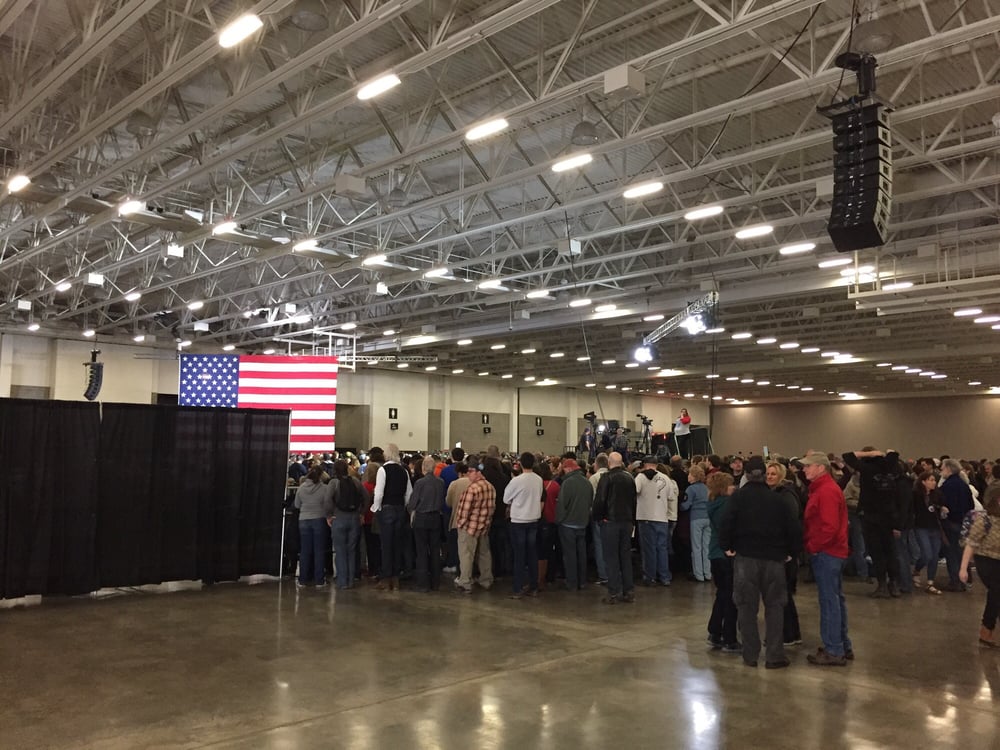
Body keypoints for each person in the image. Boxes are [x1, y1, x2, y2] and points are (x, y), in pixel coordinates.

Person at [719, 456, 801, 669]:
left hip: (745, 559)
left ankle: (750, 654)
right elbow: (793, 527)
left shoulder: (737, 498)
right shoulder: (778, 499)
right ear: (765, 475)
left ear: (745, 474)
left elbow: (725, 522)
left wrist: (727, 546)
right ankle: (774, 655)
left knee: (746, 608)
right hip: (774, 560)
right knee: (775, 607)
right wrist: (792, 552)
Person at [800, 453, 854, 667]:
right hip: (833, 551)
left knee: (829, 602)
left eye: (807, 467)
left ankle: (834, 649)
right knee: (835, 600)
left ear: (820, 468)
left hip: (827, 553)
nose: (804, 470)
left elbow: (829, 527)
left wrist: (813, 547)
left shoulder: (826, 491)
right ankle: (842, 645)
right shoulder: (825, 489)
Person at [842, 447, 903, 598]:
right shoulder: (894, 469)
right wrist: (889, 453)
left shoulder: (867, 469)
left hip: (870, 516)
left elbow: (847, 456)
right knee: (891, 551)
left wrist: (869, 453)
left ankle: (882, 585)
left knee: (877, 552)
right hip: (889, 516)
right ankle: (894, 584)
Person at [765, 461, 803, 646]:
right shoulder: (772, 494)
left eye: (773, 474)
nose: (769, 476)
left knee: (781, 595)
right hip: (776, 550)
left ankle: (788, 634)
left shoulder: (786, 495)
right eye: (768, 473)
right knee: (781, 595)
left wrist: (790, 551)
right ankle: (791, 633)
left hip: (784, 552)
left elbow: (792, 524)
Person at [593, 452, 638, 604]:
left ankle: (613, 592)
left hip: (610, 522)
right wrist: (632, 520)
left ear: (608, 462)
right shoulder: (629, 478)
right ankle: (629, 591)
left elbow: (600, 500)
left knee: (611, 557)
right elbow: (634, 501)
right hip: (626, 522)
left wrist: (598, 518)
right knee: (625, 556)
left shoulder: (606, 478)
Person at [959, 485, 1000, 648]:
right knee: (996, 592)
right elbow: (971, 543)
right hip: (986, 560)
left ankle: (988, 628)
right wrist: (963, 568)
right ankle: (986, 629)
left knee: (997, 595)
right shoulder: (984, 519)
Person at [371, 443, 413, 591]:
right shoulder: (404, 471)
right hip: (400, 509)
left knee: (386, 544)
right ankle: (395, 578)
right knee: (397, 544)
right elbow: (409, 493)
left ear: (386, 454)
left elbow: (379, 492)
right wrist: (405, 508)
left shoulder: (383, 470)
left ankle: (385, 578)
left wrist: (376, 507)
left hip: (387, 508)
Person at [706, 471, 739, 653]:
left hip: (715, 553)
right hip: (724, 554)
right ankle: (729, 638)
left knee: (722, 594)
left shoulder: (713, 503)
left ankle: (715, 631)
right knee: (730, 597)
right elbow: (726, 529)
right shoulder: (725, 506)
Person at [454, 458, 496, 593]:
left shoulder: (472, 489)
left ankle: (465, 581)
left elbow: (464, 511)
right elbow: (492, 507)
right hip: (484, 526)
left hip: (469, 528)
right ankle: (486, 580)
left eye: (470, 471)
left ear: (478, 472)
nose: (468, 474)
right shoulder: (490, 486)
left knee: (466, 554)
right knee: (484, 554)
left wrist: (460, 525)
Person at [504, 451, 543, 599]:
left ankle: (518, 588)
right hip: (533, 519)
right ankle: (533, 587)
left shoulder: (517, 481)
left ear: (520, 464)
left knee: (519, 556)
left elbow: (506, 499)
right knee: (532, 554)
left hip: (519, 521)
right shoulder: (538, 479)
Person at [407, 455, 445, 592]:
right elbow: (442, 501)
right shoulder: (440, 482)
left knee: (421, 551)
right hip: (435, 518)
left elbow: (412, 503)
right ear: (434, 468)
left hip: (421, 519)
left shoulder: (420, 483)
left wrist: (411, 510)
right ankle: (435, 582)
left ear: (423, 468)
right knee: (435, 551)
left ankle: (422, 583)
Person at [635, 455, 675, 586]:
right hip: (662, 518)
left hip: (645, 517)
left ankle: (650, 577)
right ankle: (664, 577)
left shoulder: (641, 477)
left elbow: (635, 491)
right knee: (662, 548)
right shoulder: (665, 478)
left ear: (645, 464)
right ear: (656, 465)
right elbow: (670, 497)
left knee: (649, 549)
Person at [556, 457, 594, 592]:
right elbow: (590, 503)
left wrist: (559, 521)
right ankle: (582, 581)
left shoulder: (567, 483)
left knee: (570, 555)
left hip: (568, 525)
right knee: (581, 554)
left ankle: (572, 583)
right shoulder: (587, 483)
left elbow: (561, 505)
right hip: (582, 524)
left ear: (568, 469)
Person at [330, 459, 368, 590]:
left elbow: (327, 500)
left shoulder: (334, 483)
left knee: (340, 550)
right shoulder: (356, 482)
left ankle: (342, 581)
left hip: (339, 517)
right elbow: (366, 497)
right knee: (351, 550)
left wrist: (329, 515)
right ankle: (351, 580)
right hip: (354, 518)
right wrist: (362, 512)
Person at [294, 463, 334, 588]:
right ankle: (319, 580)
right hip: (319, 519)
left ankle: (303, 580)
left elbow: (296, 505)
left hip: (304, 520)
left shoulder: (301, 488)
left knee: (305, 550)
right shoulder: (324, 488)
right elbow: (328, 504)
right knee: (319, 550)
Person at [941, 458, 975, 592]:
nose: (941, 471)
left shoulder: (947, 486)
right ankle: (963, 580)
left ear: (949, 469)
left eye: (943, 468)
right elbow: (970, 505)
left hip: (951, 523)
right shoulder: (963, 484)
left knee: (951, 553)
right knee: (961, 552)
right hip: (963, 523)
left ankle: (955, 581)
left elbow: (945, 503)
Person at [912, 471, 944, 595]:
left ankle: (930, 582)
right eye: (930, 480)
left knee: (935, 555)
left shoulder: (937, 495)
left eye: (934, 480)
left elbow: (941, 505)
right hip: (921, 527)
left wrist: (942, 508)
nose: (933, 482)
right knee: (927, 554)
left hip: (935, 527)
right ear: (923, 482)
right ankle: (917, 569)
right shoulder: (915, 495)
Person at [682, 465, 711, 582]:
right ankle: (708, 573)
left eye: (689, 474)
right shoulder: (706, 488)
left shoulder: (690, 489)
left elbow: (685, 505)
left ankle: (698, 575)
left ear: (693, 476)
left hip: (696, 519)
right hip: (708, 518)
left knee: (696, 547)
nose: (688, 476)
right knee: (706, 547)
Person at [589, 452, 610, 585]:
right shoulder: (612, 476)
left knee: (599, 544)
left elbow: (591, 497)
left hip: (597, 515)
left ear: (596, 464)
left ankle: (603, 574)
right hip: (612, 516)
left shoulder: (594, 478)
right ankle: (613, 572)